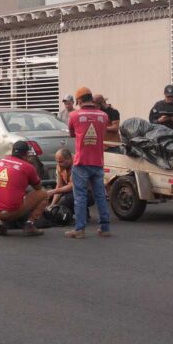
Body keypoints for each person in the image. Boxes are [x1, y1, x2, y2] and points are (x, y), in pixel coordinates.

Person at [65, 87, 112, 239]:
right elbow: (103, 132)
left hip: (81, 162)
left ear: (78, 101)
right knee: (100, 196)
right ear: (91, 98)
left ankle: (80, 229)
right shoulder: (103, 116)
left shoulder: (74, 115)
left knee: (80, 196)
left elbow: (72, 134)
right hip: (98, 161)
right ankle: (105, 228)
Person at [0, 141, 49, 236]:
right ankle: (30, 224)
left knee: (4, 192)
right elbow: (38, 187)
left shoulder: (2, 161)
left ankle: (1, 223)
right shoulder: (28, 167)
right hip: (11, 211)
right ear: (27, 153)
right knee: (44, 194)